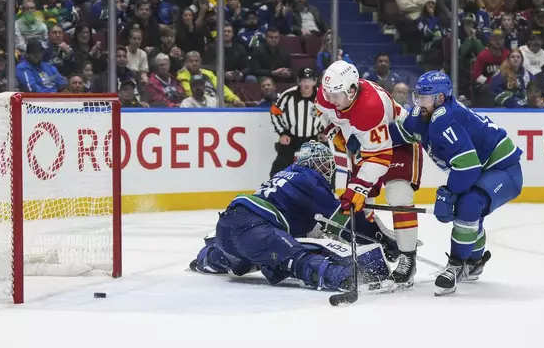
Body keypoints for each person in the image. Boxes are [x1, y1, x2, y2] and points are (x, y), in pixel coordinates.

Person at [190, 141, 393, 292]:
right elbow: (341, 220)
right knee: (297, 258)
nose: (326, 170)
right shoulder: (310, 178)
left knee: (246, 259)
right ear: (314, 163)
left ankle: (206, 257)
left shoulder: (285, 173)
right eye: (323, 164)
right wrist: (378, 237)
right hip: (256, 228)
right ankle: (343, 277)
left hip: (228, 225)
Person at [389, 71, 523, 296]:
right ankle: (475, 260)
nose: (419, 102)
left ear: (440, 98)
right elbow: (402, 133)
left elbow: (468, 166)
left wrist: (449, 194)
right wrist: (365, 141)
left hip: (503, 170)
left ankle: (457, 264)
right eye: (418, 96)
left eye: (425, 97)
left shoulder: (445, 119)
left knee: (469, 205)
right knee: (469, 209)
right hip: (480, 169)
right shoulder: (424, 115)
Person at [315, 60, 423, 287]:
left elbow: (380, 157)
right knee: (361, 205)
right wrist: (335, 131)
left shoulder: (370, 106)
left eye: (337, 96)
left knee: (398, 196)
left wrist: (357, 187)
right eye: (329, 94)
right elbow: (325, 113)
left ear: (352, 90)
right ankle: (382, 239)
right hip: (368, 143)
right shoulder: (329, 94)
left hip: (397, 141)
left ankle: (407, 257)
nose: (332, 101)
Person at [269, 68, 321, 177]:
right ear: (298, 81)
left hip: (314, 137)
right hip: (292, 137)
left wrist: (324, 131)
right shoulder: (289, 95)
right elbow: (274, 112)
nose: (306, 83)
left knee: (325, 164)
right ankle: (272, 189)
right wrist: (282, 133)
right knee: (280, 166)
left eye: (309, 80)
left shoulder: (321, 96)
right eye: (303, 80)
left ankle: (329, 190)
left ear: (315, 81)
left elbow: (330, 115)